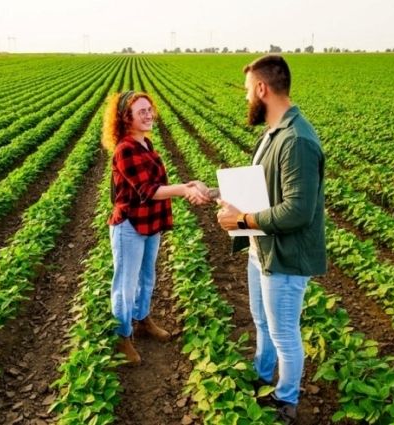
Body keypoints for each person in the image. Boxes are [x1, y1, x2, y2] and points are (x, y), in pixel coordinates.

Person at [216, 55, 326, 424]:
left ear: (262, 89)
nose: (246, 97)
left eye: (248, 90)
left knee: (284, 333)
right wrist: (231, 204)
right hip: (262, 248)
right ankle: (263, 377)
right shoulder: (274, 132)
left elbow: (298, 211)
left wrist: (243, 219)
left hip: (285, 255)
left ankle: (285, 400)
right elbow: (266, 190)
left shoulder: (296, 140)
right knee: (262, 322)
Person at [103, 90, 210, 365]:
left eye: (150, 109)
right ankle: (122, 337)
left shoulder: (147, 144)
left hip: (150, 223)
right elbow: (148, 190)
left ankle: (142, 319)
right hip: (129, 225)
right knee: (125, 284)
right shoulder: (125, 149)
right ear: (127, 118)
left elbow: (159, 187)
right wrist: (185, 189)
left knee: (147, 277)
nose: (149, 115)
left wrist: (191, 185)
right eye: (142, 111)